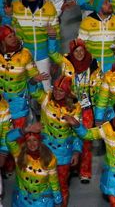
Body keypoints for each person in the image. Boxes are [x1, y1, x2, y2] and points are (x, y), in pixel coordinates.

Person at [47, 38, 101, 184]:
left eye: (81, 50)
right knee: (69, 137)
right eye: (76, 51)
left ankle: (85, 171)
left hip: (86, 107)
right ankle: (70, 168)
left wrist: (99, 110)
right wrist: (53, 38)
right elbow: (52, 53)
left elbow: (99, 87)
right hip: (69, 106)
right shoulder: (65, 61)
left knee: (86, 140)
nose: (79, 53)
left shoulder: (94, 64)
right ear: (71, 52)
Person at [30, 75, 83, 206]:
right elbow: (33, 91)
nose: (57, 93)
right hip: (45, 151)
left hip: (64, 153)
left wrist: (76, 151)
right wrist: (32, 81)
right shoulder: (46, 98)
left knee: (61, 184)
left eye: (61, 91)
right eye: (55, 89)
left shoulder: (75, 107)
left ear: (67, 92)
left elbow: (78, 132)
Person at [12, 0, 60, 91]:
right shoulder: (16, 7)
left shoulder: (49, 8)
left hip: (43, 56)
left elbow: (56, 35)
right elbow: (15, 31)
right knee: (26, 86)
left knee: (46, 87)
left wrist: (55, 61)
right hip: (23, 56)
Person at [5, 123, 62, 207]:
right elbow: (8, 139)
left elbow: (53, 181)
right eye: (29, 140)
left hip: (42, 201)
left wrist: (58, 199)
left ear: (39, 141)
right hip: (22, 200)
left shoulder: (49, 158)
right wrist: (26, 129)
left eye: (34, 140)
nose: (32, 144)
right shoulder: (19, 153)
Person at [0, 26, 46, 128]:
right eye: (9, 37)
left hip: (18, 101)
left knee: (19, 133)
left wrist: (41, 99)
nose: (13, 39)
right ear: (2, 40)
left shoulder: (25, 54)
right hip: (1, 101)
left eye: (13, 35)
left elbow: (35, 76)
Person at [77, 0, 115, 73]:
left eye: (109, 2)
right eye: (106, 3)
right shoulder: (87, 22)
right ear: (99, 8)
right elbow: (80, 44)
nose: (110, 4)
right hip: (92, 64)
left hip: (111, 65)